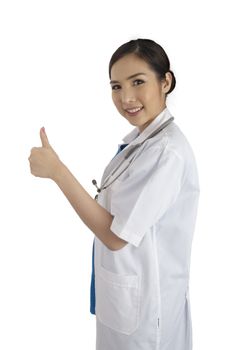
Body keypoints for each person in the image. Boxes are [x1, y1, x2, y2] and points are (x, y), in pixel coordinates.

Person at [28, 38, 200, 350]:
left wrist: (57, 172)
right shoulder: (143, 142)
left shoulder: (166, 153)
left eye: (138, 82)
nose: (126, 97)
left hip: (148, 315)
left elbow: (115, 235)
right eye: (116, 86)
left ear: (166, 81)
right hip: (126, 301)